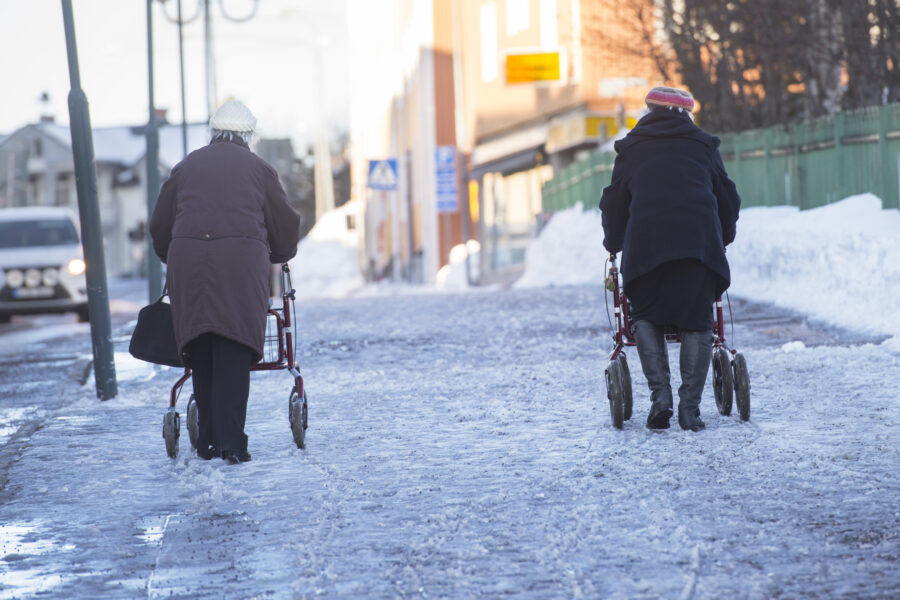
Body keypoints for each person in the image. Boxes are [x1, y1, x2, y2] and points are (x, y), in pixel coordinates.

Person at [150, 100, 301, 462]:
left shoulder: (185, 167)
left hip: (189, 265)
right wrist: (279, 251)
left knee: (201, 343)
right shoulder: (258, 169)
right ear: (248, 135)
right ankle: (231, 443)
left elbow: (160, 225)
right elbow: (284, 222)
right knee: (233, 344)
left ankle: (208, 443)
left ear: (213, 132)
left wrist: (172, 256)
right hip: (240, 266)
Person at [599, 86, 741, 431]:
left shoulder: (631, 148)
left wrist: (614, 242)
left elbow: (614, 201)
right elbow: (727, 197)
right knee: (697, 320)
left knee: (644, 315)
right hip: (697, 247)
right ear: (686, 113)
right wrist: (723, 235)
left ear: (649, 111)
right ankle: (689, 410)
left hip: (646, 249)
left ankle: (660, 397)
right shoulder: (704, 146)